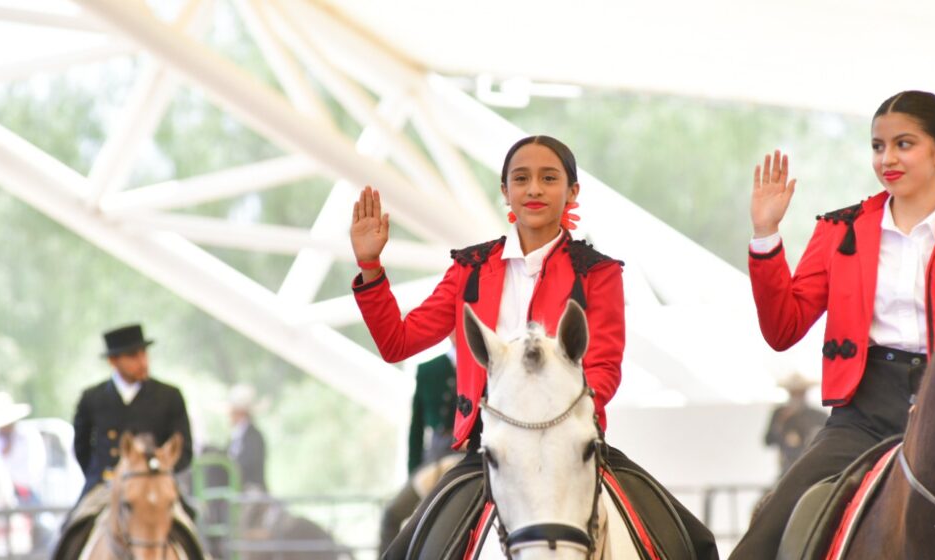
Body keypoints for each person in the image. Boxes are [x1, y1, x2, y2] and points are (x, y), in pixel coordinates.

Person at [352, 135, 718, 559]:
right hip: (490, 450)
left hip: (573, 443)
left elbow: (604, 367)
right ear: (505, 190)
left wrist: (564, 421)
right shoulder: (469, 269)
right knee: (401, 552)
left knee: (697, 542)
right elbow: (398, 342)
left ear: (572, 191)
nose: (534, 189)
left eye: (549, 178)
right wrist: (369, 267)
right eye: (521, 179)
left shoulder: (597, 273)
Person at [731, 91, 935, 559]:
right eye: (878, 146)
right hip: (863, 416)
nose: (887, 158)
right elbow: (782, 329)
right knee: (762, 538)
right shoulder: (839, 231)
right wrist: (766, 235)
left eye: (903, 144)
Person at [72, 324, 193, 498]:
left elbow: (183, 449)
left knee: (186, 521)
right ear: (113, 361)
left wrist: (158, 472)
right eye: (132, 356)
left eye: (144, 353)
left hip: (157, 485)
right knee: (75, 523)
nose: (142, 362)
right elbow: (81, 448)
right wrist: (100, 474)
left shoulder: (169, 396)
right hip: (105, 484)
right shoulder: (92, 397)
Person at [378, 342, 460, 552]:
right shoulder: (428, 369)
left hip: (467, 454)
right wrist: (413, 471)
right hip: (433, 458)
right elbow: (417, 428)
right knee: (392, 514)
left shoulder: (483, 363)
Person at [0, 391, 46, 505]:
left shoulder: (28, 436)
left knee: (41, 518)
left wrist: (12, 485)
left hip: (25, 495)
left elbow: (36, 470)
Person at [762, 372, 826, 478]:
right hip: (787, 470)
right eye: (794, 393)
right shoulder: (780, 414)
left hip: (813, 469)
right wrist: (780, 423)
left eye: (800, 393)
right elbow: (768, 440)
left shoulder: (817, 416)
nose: (797, 397)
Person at [227, 383, 267, 492]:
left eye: (232, 412)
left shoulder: (254, 437)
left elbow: (248, 464)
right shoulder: (235, 437)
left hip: (251, 489)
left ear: (240, 413)